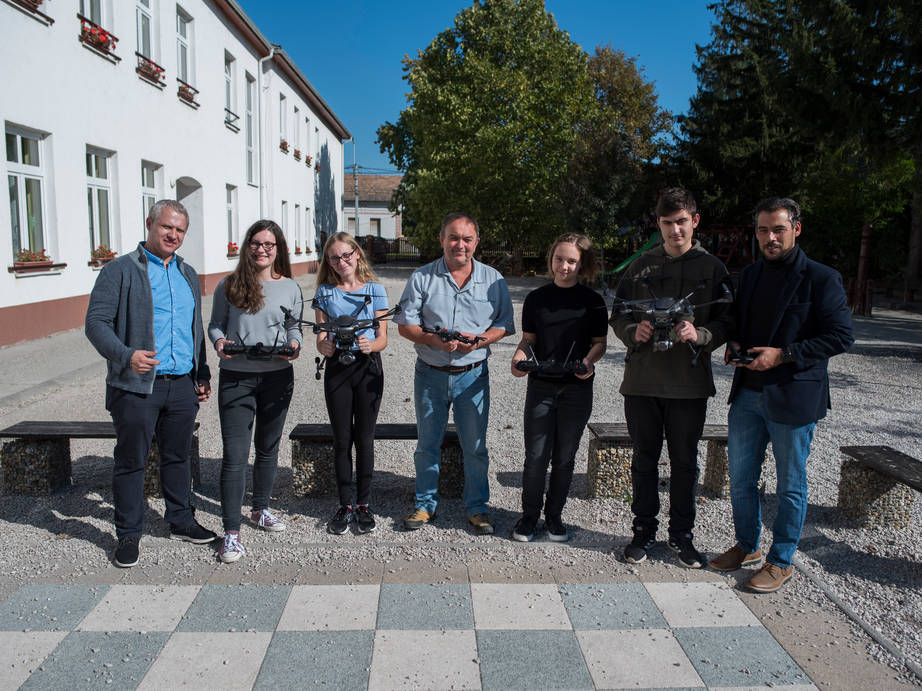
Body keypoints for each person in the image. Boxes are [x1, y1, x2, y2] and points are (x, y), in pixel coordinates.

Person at [710, 197, 853, 592]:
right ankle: (747, 545)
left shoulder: (822, 278)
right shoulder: (751, 274)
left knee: (790, 484)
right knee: (740, 478)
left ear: (796, 229)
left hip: (794, 394)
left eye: (778, 229)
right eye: (762, 230)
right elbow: (740, 321)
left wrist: (784, 355)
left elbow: (842, 336)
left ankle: (782, 559)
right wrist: (734, 343)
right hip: (748, 393)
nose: (770, 238)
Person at [85, 199, 216, 568]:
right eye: (167, 227)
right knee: (131, 461)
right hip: (138, 384)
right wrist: (127, 355)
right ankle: (128, 533)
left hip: (181, 385)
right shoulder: (120, 270)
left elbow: (195, 330)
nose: (173, 235)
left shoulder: (187, 273)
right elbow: (95, 324)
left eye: (180, 230)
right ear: (150, 224)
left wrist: (201, 373)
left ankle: (180, 520)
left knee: (178, 456)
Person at [611, 188, 731, 568]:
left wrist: (702, 335)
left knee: (684, 463)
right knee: (644, 460)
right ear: (658, 224)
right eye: (667, 223)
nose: (675, 230)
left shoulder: (712, 268)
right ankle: (642, 532)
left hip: (688, 383)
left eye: (681, 221)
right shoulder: (640, 265)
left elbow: (728, 318)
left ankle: (682, 536)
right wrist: (634, 332)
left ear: (694, 220)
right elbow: (619, 314)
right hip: (643, 381)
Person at [395, 212, 515, 534]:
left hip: (472, 375)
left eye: (466, 238)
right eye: (453, 237)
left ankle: (477, 507)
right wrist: (431, 338)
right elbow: (406, 325)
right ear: (441, 239)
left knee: (475, 446)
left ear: (476, 241)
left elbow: (503, 324)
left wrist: (480, 341)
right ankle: (424, 505)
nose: (459, 244)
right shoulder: (422, 278)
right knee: (427, 444)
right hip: (430, 373)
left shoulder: (494, 280)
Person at [208, 220, 302, 563]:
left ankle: (260, 509)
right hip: (236, 376)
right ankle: (231, 532)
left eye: (269, 244)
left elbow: (294, 326)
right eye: (256, 243)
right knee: (235, 455)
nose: (262, 249)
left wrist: (294, 344)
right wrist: (219, 342)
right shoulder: (229, 284)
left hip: (277, 375)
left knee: (267, 448)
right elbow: (216, 323)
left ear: (278, 249)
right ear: (247, 246)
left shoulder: (290, 286)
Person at [510, 234, 608, 542]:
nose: (563, 266)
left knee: (565, 457)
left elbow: (599, 344)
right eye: (559, 259)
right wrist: (519, 355)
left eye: (571, 261)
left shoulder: (592, 302)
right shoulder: (537, 299)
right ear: (550, 259)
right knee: (536, 455)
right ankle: (528, 517)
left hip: (576, 389)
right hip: (541, 386)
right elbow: (529, 340)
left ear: (582, 265)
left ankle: (554, 516)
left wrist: (589, 362)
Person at [313, 232, 389, 535]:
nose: (341, 261)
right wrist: (324, 347)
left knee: (364, 439)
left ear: (357, 254)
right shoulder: (324, 292)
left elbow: (383, 337)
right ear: (328, 261)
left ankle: (364, 504)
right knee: (342, 439)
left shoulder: (376, 289)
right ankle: (345, 504)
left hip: (368, 368)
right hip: (337, 369)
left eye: (346, 255)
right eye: (334, 257)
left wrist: (371, 345)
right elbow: (320, 335)